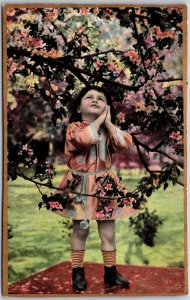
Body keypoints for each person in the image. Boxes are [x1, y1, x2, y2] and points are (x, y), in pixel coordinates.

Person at [51, 86, 138, 291]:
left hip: (104, 187)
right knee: (81, 231)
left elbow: (125, 144)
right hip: (80, 186)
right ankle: (77, 271)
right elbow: (82, 139)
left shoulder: (108, 130)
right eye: (89, 97)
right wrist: (99, 121)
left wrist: (107, 123)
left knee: (108, 231)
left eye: (101, 98)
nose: (95, 100)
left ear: (106, 107)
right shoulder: (74, 127)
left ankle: (110, 272)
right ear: (79, 107)